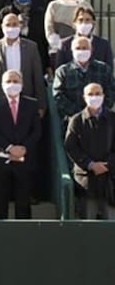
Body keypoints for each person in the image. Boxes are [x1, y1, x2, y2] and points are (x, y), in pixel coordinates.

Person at [0, 69, 40, 220]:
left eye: (16, 81)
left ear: (22, 84)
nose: (12, 84)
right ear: (2, 85)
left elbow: (36, 131)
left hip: (25, 161)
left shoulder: (32, 104)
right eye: (8, 81)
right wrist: (10, 148)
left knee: (23, 204)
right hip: (0, 162)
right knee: (0, 204)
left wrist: (23, 148)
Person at [65, 82, 115, 220]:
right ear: (84, 97)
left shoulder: (112, 118)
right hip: (86, 182)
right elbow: (71, 147)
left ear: (104, 96)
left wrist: (106, 165)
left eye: (98, 93)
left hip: (109, 181)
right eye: (91, 94)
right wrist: (90, 164)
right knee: (87, 225)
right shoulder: (76, 120)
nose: (95, 97)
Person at [0, 13, 48, 112]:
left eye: (14, 25)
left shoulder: (31, 47)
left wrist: (41, 105)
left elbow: (37, 76)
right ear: (2, 27)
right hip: (0, 102)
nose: (11, 28)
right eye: (8, 25)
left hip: (26, 99)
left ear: (20, 26)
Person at [53, 36, 115, 118]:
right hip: (72, 119)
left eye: (85, 48)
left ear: (91, 50)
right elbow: (58, 96)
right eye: (78, 48)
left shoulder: (104, 69)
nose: (81, 51)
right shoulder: (63, 72)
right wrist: (81, 114)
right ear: (72, 51)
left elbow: (111, 91)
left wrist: (98, 111)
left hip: (101, 119)